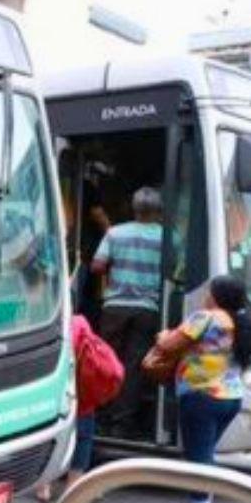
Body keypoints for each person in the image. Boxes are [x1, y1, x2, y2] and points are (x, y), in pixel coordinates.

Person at [158, 274, 251, 503]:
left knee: (199, 456)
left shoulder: (205, 317)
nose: (206, 294)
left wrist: (163, 335)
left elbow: (169, 346)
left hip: (202, 396)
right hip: (230, 398)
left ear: (216, 296)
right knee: (202, 453)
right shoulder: (242, 322)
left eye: (209, 290)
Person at [91, 186, 164, 436]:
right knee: (133, 367)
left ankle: (100, 415)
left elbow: (97, 266)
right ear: (158, 210)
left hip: (115, 307)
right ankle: (121, 424)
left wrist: (117, 268)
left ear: (134, 208)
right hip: (148, 309)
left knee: (106, 362)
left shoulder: (115, 233)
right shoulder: (166, 237)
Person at [36, 307, 123, 502]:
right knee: (83, 438)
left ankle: (44, 486)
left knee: (51, 435)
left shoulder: (47, 325)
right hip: (84, 391)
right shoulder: (81, 322)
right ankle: (73, 487)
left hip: (58, 392)